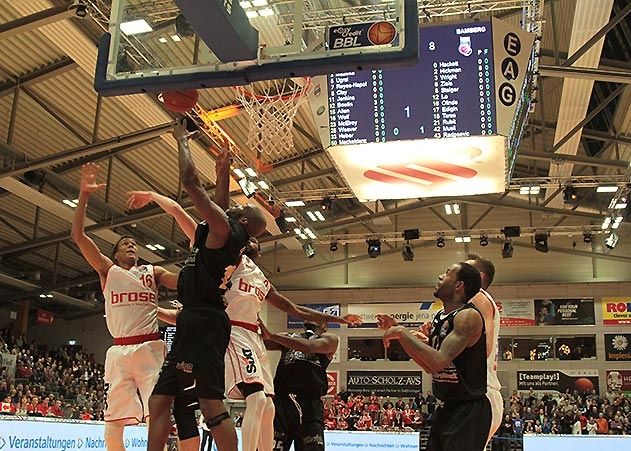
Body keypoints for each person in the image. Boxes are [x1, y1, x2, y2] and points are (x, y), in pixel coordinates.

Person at [147, 120, 267, 451]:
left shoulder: (224, 231)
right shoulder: (226, 230)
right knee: (159, 402)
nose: (235, 205)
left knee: (211, 403)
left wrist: (182, 141)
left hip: (206, 321)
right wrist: (223, 170)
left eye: (241, 208)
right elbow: (220, 201)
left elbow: (189, 183)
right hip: (194, 317)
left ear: (241, 221)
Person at [71, 163, 180, 451]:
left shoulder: (152, 272)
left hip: (149, 348)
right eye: (125, 244)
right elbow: (79, 237)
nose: (131, 245)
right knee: (112, 423)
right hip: (118, 351)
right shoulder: (108, 271)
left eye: (134, 243)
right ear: (115, 253)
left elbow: (183, 281)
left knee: (157, 414)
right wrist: (83, 195)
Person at [378, 262, 487, 451]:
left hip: (468, 410)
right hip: (446, 408)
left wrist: (402, 333)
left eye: (446, 274)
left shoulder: (468, 316)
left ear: (458, 285)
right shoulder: (440, 317)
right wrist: (400, 333)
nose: (439, 277)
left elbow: (438, 361)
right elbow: (429, 364)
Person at [260, 320, 338, 451]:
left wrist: (274, 336)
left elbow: (310, 346)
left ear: (324, 326)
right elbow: (261, 341)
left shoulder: (331, 339)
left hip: (309, 404)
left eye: (316, 316)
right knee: (270, 447)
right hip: (281, 401)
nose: (311, 316)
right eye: (308, 314)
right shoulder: (288, 336)